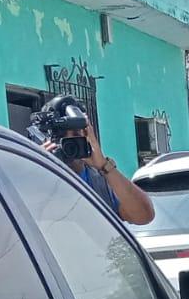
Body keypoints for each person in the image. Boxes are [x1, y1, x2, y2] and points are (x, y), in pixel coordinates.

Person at [35, 96, 155, 225]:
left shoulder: (100, 180)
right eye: (60, 137)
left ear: (88, 136)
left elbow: (144, 216)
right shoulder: (35, 178)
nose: (69, 144)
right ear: (46, 140)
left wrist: (105, 166)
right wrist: (34, 169)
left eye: (77, 135)